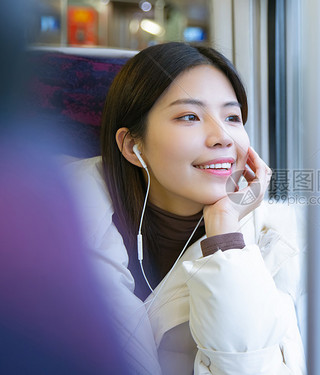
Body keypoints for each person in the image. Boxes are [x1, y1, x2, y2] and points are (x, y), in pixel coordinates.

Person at [64, 42, 306, 374]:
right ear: (133, 147)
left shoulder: (282, 238)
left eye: (232, 117)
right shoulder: (48, 220)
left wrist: (225, 235)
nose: (223, 137)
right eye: (190, 116)